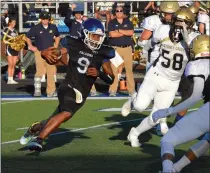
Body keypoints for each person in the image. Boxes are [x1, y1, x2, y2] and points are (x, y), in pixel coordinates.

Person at [20, 18, 121, 152]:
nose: (96, 39)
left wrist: (99, 73)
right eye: (94, 35)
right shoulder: (74, 43)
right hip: (68, 86)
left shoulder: (104, 52)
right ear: (85, 34)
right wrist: (44, 53)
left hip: (82, 94)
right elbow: (57, 52)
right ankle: (38, 139)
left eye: (99, 36)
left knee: (53, 120)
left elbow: (110, 79)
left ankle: (34, 128)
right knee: (67, 113)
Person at [121, 8, 200, 147]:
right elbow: (148, 45)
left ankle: (134, 133)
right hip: (156, 75)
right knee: (140, 107)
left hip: (172, 83)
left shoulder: (195, 37)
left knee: (156, 117)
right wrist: (145, 48)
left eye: (183, 23)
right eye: (178, 22)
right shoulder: (163, 30)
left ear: (190, 24)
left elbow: (194, 51)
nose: (179, 25)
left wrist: (185, 34)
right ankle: (133, 100)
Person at [151, 34, 210, 172]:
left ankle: (167, 170)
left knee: (168, 140)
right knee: (207, 140)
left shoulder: (196, 65)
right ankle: (176, 168)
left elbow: (195, 97)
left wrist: (167, 111)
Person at [26, 11, 61, 97]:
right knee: (39, 71)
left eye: (47, 19)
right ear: (41, 19)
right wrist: (31, 46)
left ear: (49, 19)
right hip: (39, 51)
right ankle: (37, 90)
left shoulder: (53, 27)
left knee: (51, 72)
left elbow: (58, 36)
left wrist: (56, 45)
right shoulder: (36, 28)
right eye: (44, 19)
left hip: (51, 52)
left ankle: (51, 91)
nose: (45, 20)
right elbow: (27, 37)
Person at [108, 4, 135, 96]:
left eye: (121, 11)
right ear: (115, 13)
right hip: (116, 48)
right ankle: (113, 90)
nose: (119, 12)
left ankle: (131, 90)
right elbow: (112, 34)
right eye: (117, 11)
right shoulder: (111, 22)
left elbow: (131, 33)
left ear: (123, 12)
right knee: (114, 70)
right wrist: (125, 32)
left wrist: (119, 30)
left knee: (129, 70)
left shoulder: (128, 21)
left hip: (127, 48)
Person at [2, 18, 19, 84]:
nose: (14, 24)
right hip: (9, 48)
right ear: (9, 23)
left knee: (14, 64)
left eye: (15, 23)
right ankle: (9, 79)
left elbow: (18, 40)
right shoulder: (6, 29)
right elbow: (3, 40)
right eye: (13, 22)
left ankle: (11, 78)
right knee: (10, 64)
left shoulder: (15, 31)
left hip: (15, 49)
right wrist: (11, 43)